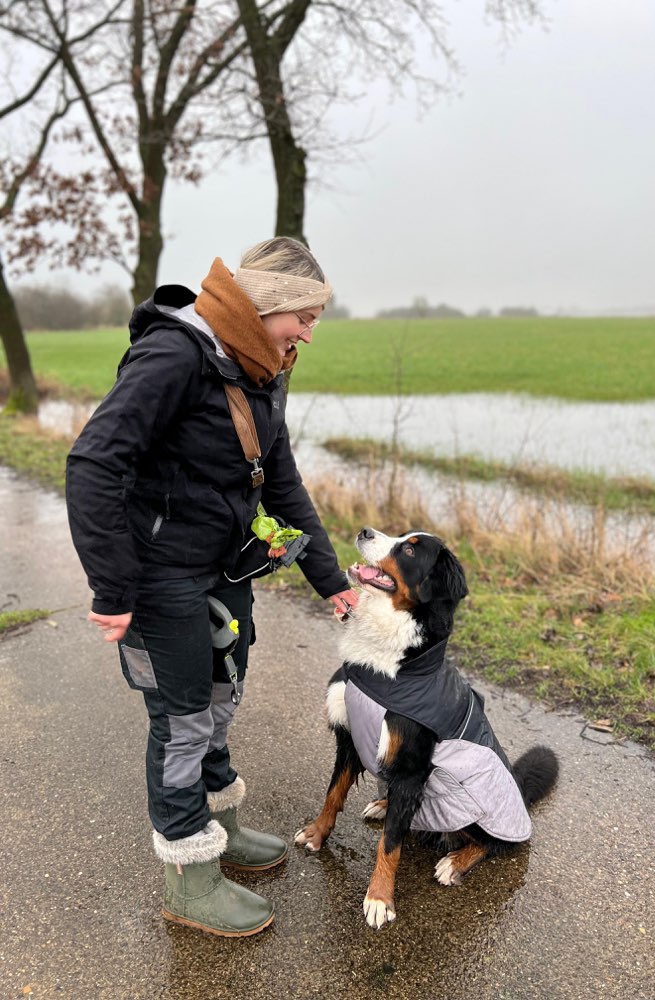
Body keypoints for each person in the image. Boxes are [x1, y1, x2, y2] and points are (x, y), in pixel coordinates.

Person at [66, 238, 358, 937]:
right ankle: (190, 879)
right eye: (304, 318)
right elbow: (93, 464)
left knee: (221, 700)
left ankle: (220, 826)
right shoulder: (175, 354)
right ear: (267, 305)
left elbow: (277, 478)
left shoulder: (258, 365)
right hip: (160, 578)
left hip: (225, 569)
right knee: (182, 720)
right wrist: (113, 589)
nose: (308, 335)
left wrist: (330, 579)